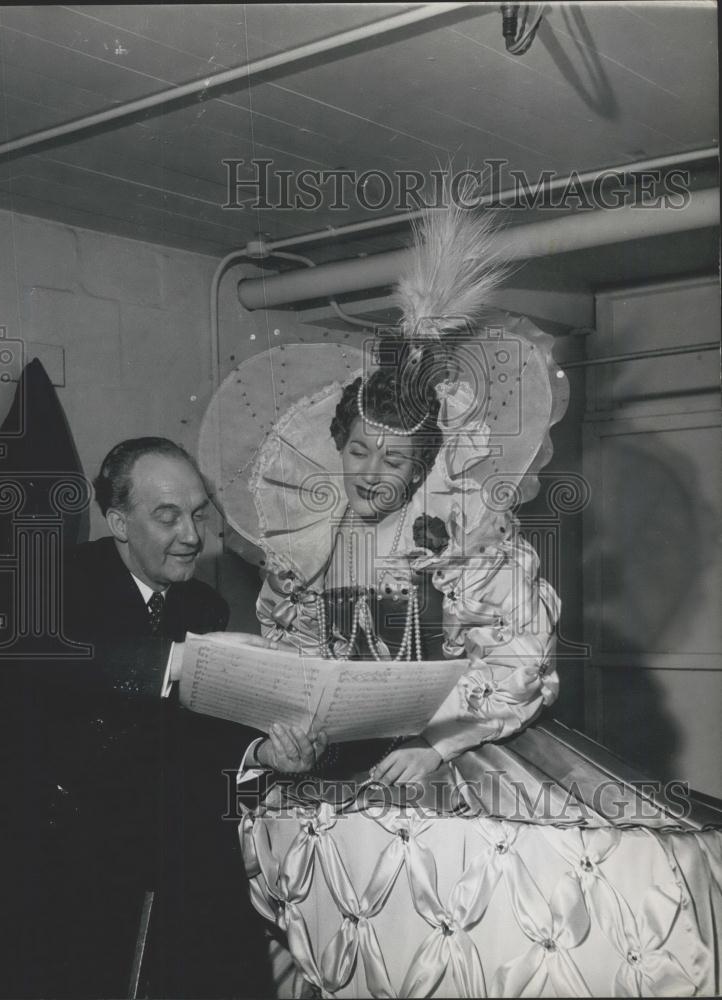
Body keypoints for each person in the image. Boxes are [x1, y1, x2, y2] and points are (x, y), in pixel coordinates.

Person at [203, 200, 722, 996]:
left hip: (457, 756)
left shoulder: (467, 535)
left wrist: (435, 744)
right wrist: (291, 732)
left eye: (394, 459)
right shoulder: (305, 546)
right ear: (338, 445)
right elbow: (297, 663)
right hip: (342, 776)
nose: (372, 473)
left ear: (421, 469)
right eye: (360, 451)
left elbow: (519, 656)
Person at [0, 436, 322, 999]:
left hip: (147, 858)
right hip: (40, 863)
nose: (192, 536)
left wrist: (262, 753)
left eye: (198, 514)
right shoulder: (49, 581)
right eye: (167, 516)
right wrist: (181, 661)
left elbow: (195, 739)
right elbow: (57, 661)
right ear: (118, 522)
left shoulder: (202, 606)